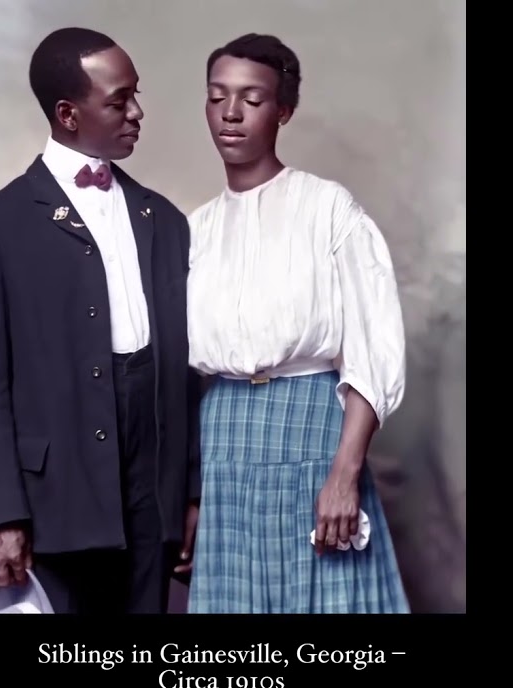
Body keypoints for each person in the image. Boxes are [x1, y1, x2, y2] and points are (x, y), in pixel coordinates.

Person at [0, 27, 200, 614]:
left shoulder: (167, 221)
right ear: (68, 114)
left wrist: (190, 495)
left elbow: (187, 374)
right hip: (53, 501)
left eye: (136, 95)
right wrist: (0, 513)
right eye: (119, 99)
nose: (137, 112)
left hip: (154, 499)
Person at [184, 33, 410, 613]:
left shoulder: (329, 209)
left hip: (314, 430)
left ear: (283, 110)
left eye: (252, 100)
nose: (230, 114)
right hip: (224, 438)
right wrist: (189, 495)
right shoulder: (196, 230)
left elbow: (371, 347)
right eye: (217, 97)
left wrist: (344, 473)